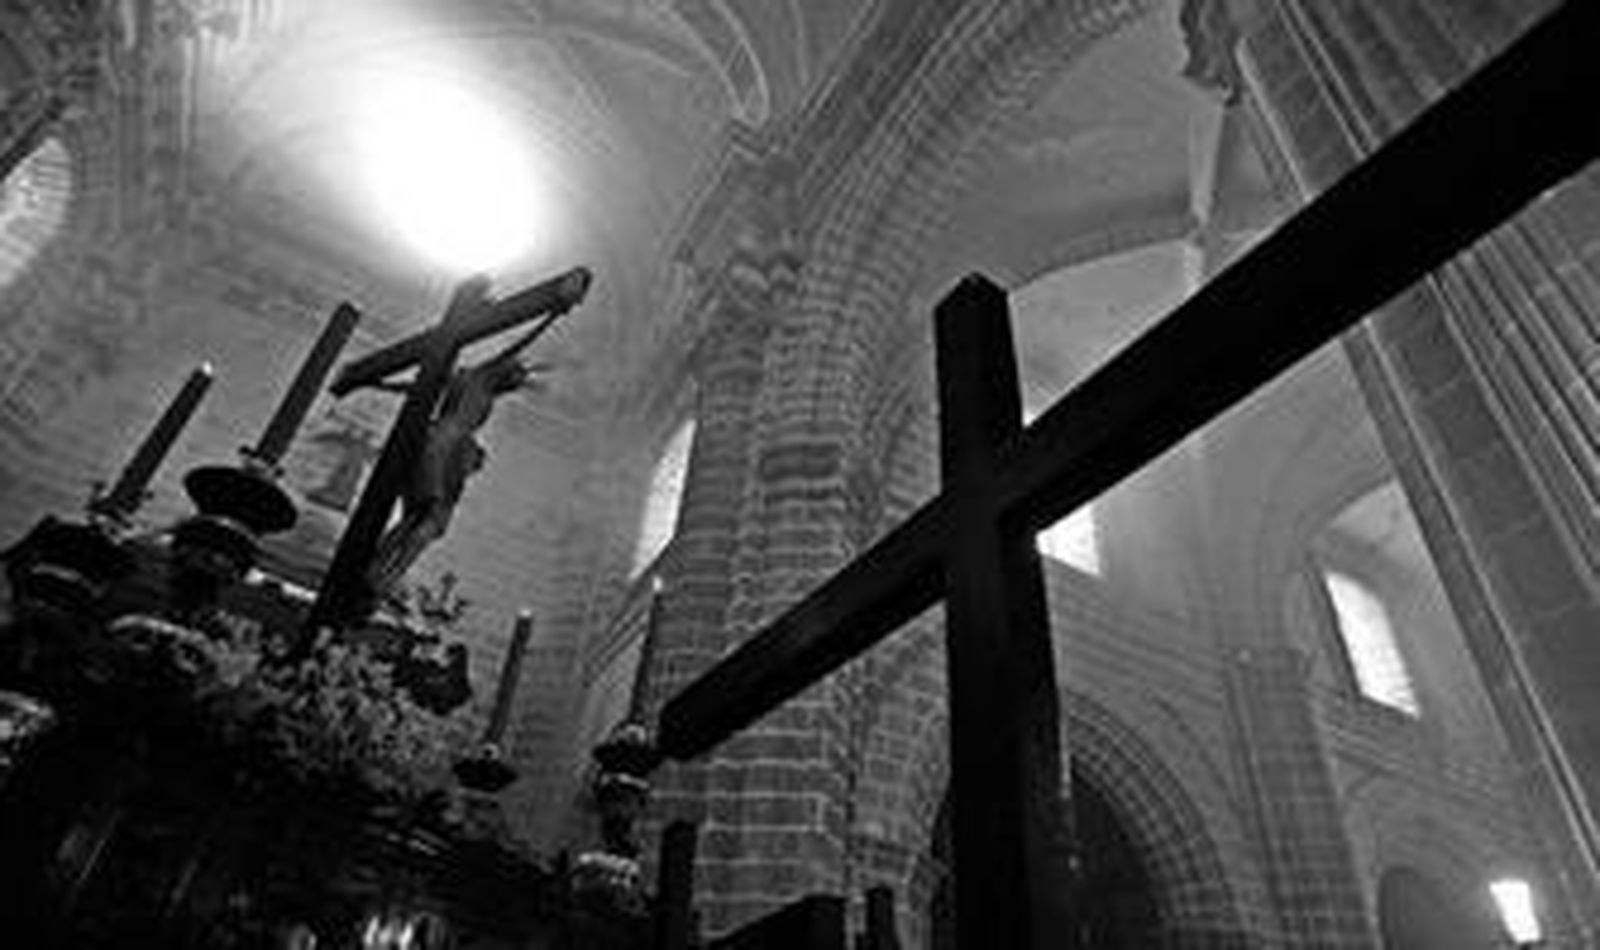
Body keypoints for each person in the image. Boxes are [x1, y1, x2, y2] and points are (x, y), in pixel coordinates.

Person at [365, 327, 551, 601]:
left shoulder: (480, 387)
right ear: (504, 369)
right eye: (513, 379)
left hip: (449, 451)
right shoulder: (477, 377)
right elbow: (519, 345)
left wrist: (379, 385)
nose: (511, 386)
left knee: (426, 520)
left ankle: (383, 571)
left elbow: (419, 389)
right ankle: (381, 571)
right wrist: (551, 317)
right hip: (443, 447)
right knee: (427, 515)